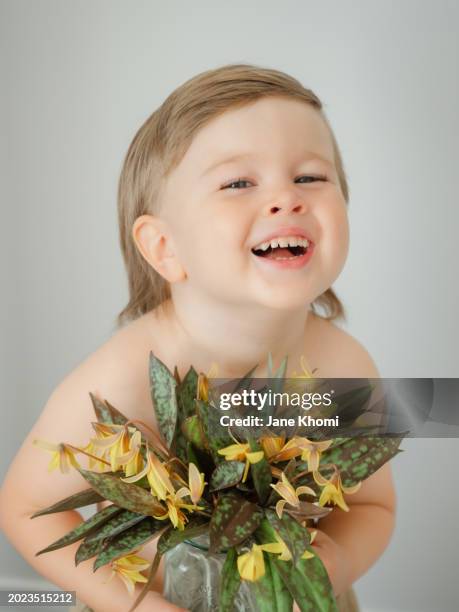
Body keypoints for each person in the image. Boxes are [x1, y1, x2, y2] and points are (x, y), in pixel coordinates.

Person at [0, 63, 396, 612]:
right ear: (165, 247)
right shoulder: (125, 379)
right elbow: (23, 507)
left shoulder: (342, 365)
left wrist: (329, 569)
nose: (288, 198)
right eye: (238, 183)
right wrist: (134, 604)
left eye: (310, 176)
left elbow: (373, 506)